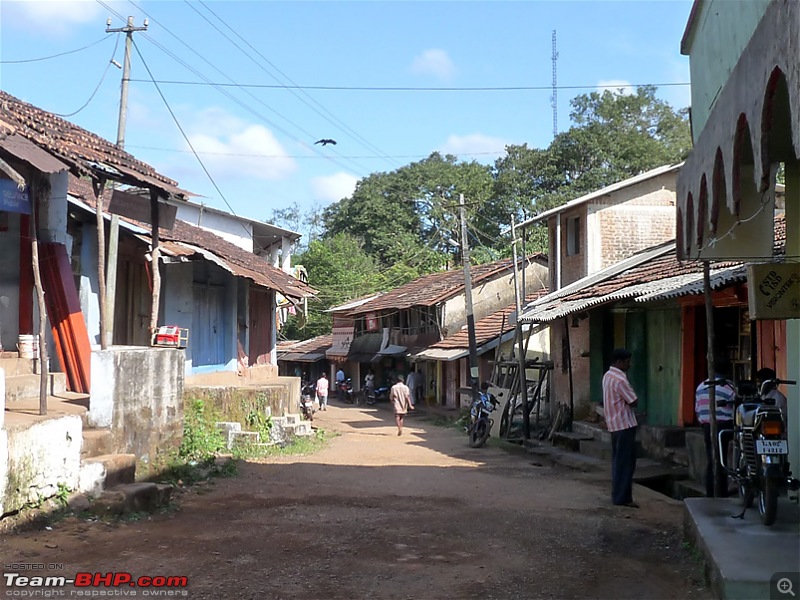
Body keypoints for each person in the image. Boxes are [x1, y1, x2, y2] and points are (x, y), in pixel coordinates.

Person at [602, 348, 639, 508]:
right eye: (627, 361)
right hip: (624, 424)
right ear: (619, 362)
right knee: (626, 463)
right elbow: (633, 401)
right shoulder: (620, 379)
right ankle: (622, 497)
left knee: (618, 462)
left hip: (614, 424)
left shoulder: (607, 376)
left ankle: (619, 495)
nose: (629, 364)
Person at [694, 357, 735, 498]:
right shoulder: (729, 387)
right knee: (721, 460)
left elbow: (698, 410)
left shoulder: (701, 386)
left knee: (712, 460)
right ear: (729, 371)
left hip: (707, 426)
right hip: (725, 427)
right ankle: (722, 491)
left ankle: (711, 492)